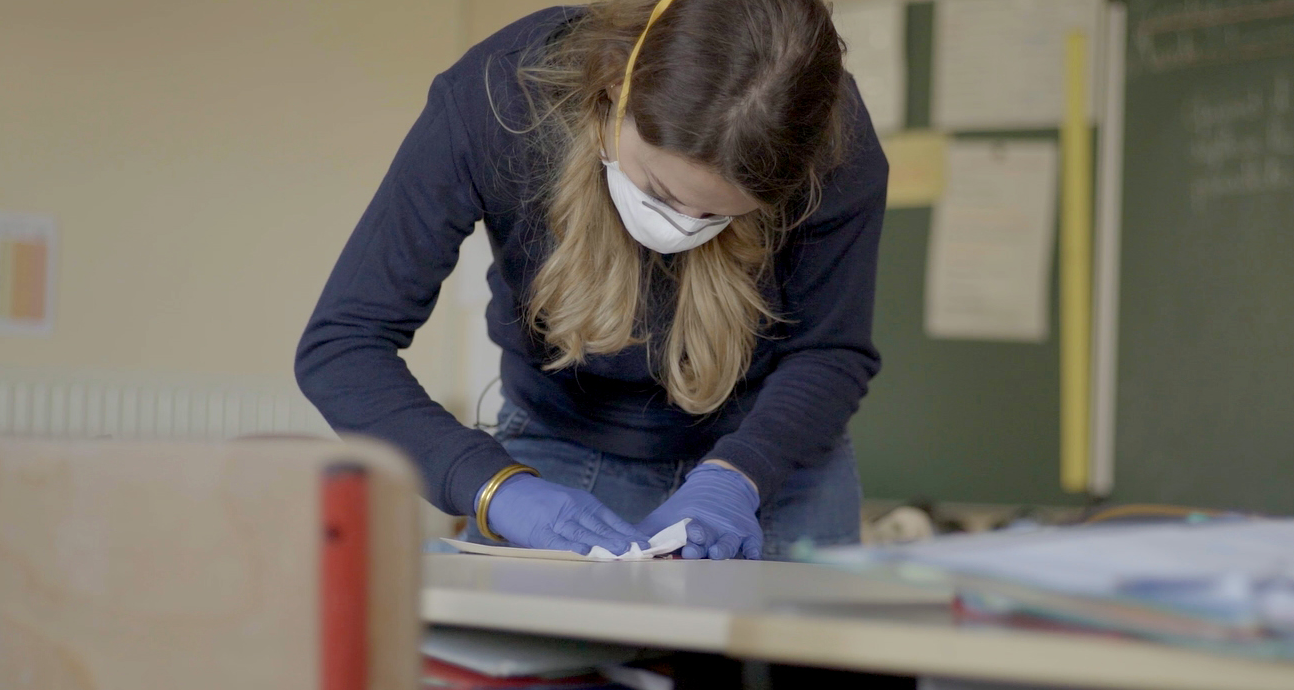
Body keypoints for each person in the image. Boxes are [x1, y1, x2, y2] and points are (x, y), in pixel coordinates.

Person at [296, 0, 886, 560]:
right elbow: (344, 346)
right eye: (660, 191)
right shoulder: (500, 96)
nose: (683, 226)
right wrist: (491, 487)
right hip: (557, 451)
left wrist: (740, 476)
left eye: (718, 215)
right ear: (614, 88)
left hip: (772, 465)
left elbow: (830, 351)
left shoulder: (829, 140)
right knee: (543, 668)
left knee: (788, 669)